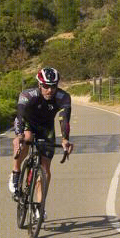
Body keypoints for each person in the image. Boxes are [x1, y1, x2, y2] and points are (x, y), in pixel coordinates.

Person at [9, 67, 74, 220]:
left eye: (53, 86)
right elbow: (19, 115)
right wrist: (19, 136)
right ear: (39, 85)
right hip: (27, 124)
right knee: (26, 139)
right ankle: (16, 173)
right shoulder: (28, 95)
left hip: (46, 128)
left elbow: (64, 119)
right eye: (45, 86)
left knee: (45, 171)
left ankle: (39, 206)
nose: (49, 90)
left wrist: (65, 139)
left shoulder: (63, 97)